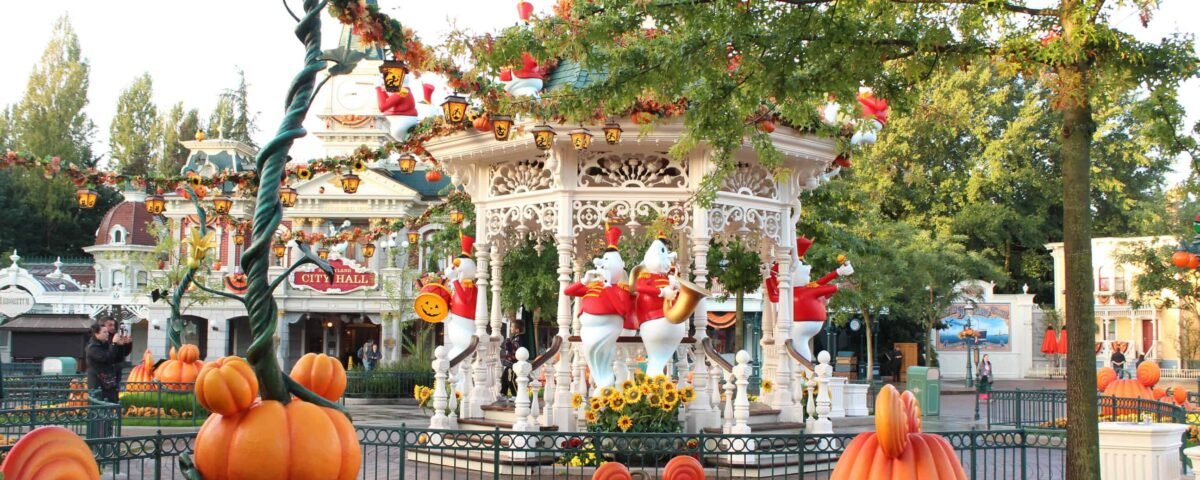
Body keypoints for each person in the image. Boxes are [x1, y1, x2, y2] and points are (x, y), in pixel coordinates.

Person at [86, 322, 130, 403]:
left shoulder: (105, 345)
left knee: (112, 404)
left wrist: (120, 346)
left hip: (109, 383)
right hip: (98, 384)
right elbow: (107, 358)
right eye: (104, 332)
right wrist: (113, 344)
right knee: (100, 406)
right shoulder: (92, 348)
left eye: (107, 332)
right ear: (96, 334)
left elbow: (117, 359)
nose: (107, 334)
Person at [500, 321, 523, 399]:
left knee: (511, 379)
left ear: (517, 330)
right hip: (509, 363)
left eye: (512, 327)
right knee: (504, 378)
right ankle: (503, 394)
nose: (510, 328)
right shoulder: (514, 338)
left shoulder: (518, 339)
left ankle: (516, 395)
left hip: (513, 364)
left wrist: (509, 344)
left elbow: (513, 350)